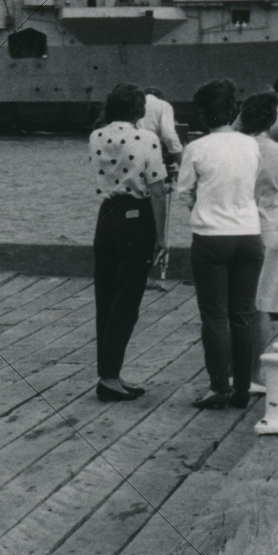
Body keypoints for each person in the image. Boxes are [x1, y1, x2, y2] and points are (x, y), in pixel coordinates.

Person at [175, 79, 263, 409]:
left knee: (214, 316)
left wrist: (202, 209)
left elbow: (184, 192)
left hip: (211, 238)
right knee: (243, 314)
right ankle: (243, 386)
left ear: (203, 114)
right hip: (249, 235)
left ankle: (218, 387)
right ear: (233, 110)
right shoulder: (250, 145)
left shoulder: (196, 148)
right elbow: (253, 186)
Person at [88, 84, 165, 401]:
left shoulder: (96, 136)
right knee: (127, 300)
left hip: (107, 216)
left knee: (105, 297)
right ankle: (109, 377)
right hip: (137, 216)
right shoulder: (147, 138)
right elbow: (157, 190)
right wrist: (161, 236)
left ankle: (109, 371)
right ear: (139, 110)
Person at [241, 92, 278, 392]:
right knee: (263, 305)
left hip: (243, 226)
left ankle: (234, 371)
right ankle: (254, 375)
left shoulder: (236, 148)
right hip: (275, 226)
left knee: (239, 304)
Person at [139, 85, 183, 274]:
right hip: (152, 157)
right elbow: (169, 136)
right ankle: (157, 249)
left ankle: (141, 270)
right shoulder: (163, 106)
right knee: (156, 202)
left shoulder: (136, 104)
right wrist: (183, 164)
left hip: (131, 160)